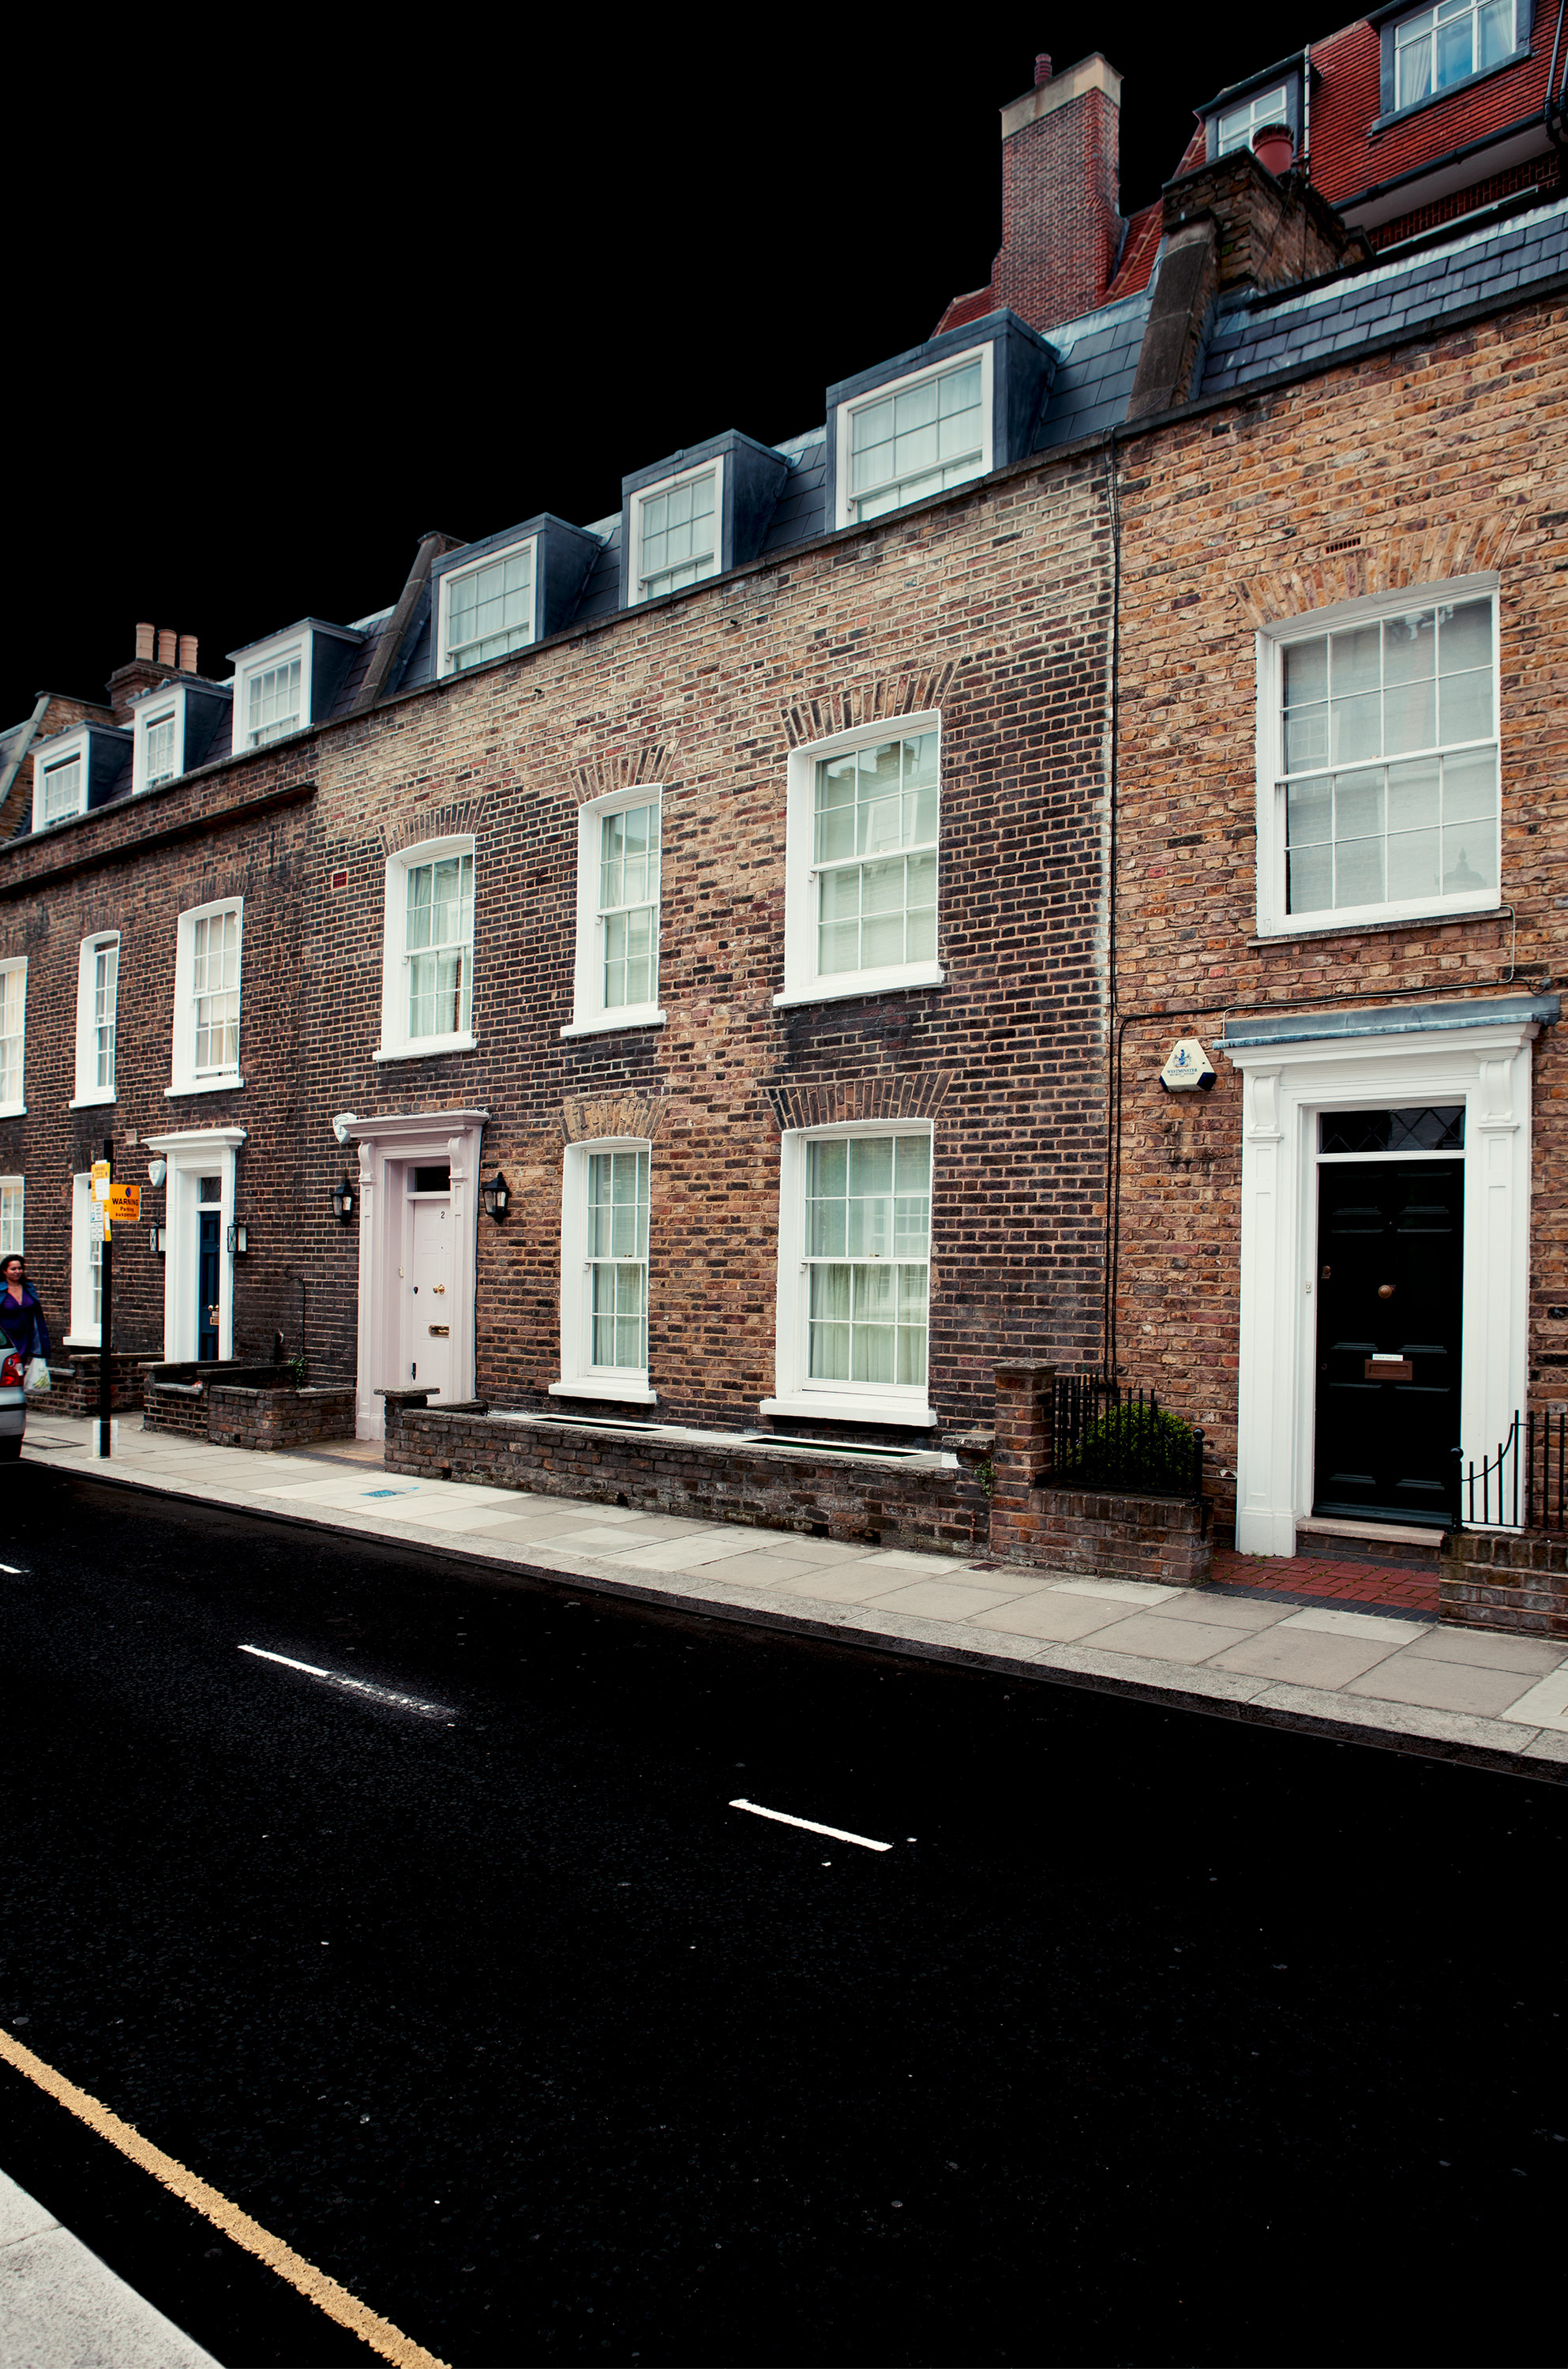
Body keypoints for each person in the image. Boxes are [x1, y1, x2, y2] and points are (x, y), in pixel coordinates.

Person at [0, 1255, 51, 1370]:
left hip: (26, 1335)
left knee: (20, 1368)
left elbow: (36, 1311)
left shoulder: (28, 1287)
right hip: (7, 1337)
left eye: (20, 1268)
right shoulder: (1, 1290)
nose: (17, 1272)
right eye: (13, 1269)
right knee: (7, 1368)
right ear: (4, 1271)